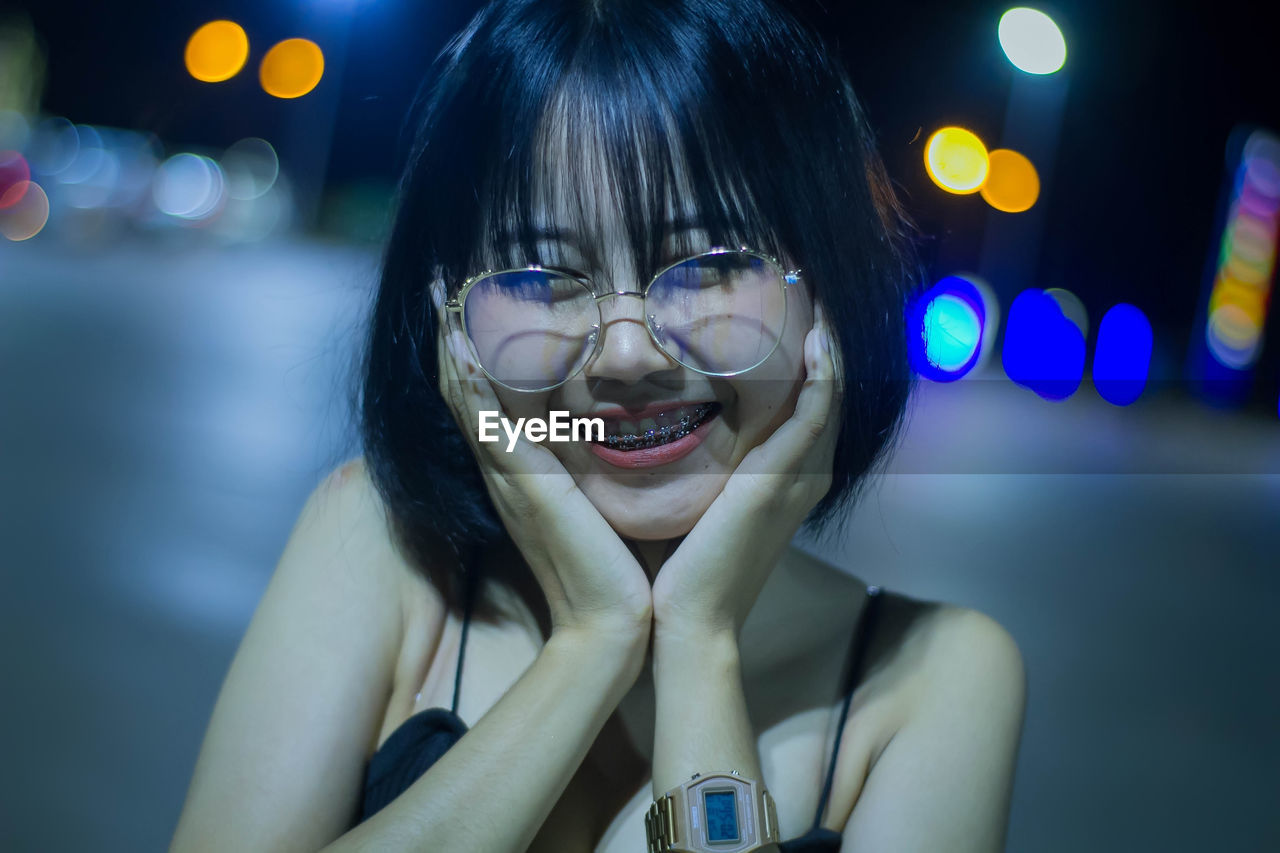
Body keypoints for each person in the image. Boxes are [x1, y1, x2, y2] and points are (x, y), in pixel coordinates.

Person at [170, 1, 1026, 851]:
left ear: (829, 294)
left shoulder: (932, 676)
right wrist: (591, 642)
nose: (624, 355)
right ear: (448, 318)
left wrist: (698, 642)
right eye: (542, 279)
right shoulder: (380, 547)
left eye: (709, 265)